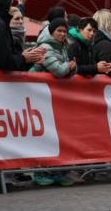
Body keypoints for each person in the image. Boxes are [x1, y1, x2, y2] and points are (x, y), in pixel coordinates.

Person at [30, 18, 77, 188]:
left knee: (57, 136)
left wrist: (71, 67)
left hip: (54, 98)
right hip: (39, 97)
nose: (63, 34)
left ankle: (59, 172)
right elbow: (58, 70)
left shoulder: (63, 47)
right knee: (43, 136)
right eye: (59, 31)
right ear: (51, 32)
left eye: (65, 31)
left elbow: (69, 70)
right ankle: (40, 173)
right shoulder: (46, 47)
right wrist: (69, 67)